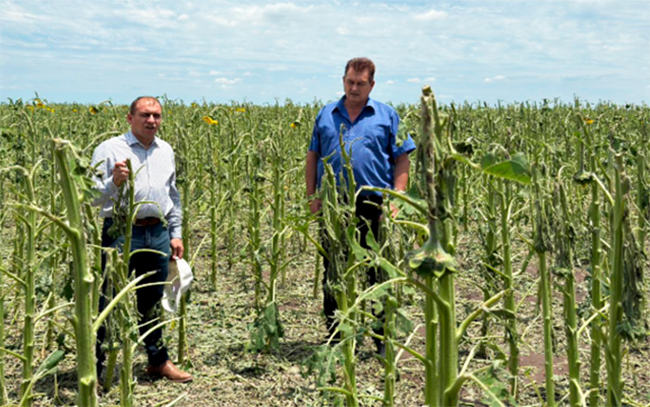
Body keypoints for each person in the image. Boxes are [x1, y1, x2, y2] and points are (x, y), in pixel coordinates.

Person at [305, 58, 416, 353]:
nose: (354, 88)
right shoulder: (326, 114)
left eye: (361, 83)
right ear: (343, 81)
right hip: (334, 203)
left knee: (376, 271)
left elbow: (403, 158)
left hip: (374, 203)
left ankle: (381, 339)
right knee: (334, 270)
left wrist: (396, 199)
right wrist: (312, 196)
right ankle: (338, 338)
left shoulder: (388, 115)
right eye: (350, 82)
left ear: (372, 85)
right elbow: (313, 155)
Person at [91, 96, 192, 383]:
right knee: (109, 299)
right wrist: (114, 182)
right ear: (130, 118)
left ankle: (158, 361)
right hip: (121, 230)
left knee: (152, 299)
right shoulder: (109, 149)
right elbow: (91, 196)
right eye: (145, 115)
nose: (151, 121)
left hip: (158, 231)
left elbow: (172, 195)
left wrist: (175, 233)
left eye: (156, 115)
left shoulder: (165, 150)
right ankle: (96, 368)